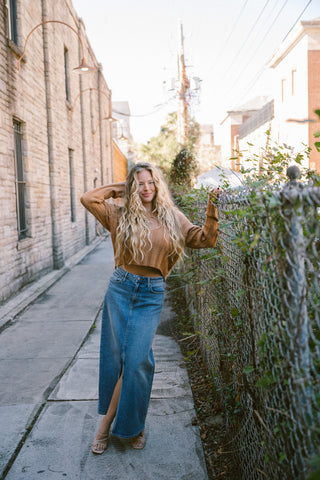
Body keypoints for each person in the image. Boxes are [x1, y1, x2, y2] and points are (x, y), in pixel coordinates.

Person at [80, 162, 219, 454]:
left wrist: (211, 210)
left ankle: (110, 425)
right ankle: (130, 427)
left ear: (158, 186)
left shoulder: (171, 216)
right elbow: (88, 198)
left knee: (138, 362)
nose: (146, 188)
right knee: (116, 358)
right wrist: (122, 186)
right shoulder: (120, 214)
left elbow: (204, 239)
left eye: (151, 183)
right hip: (121, 288)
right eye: (140, 183)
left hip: (151, 294)